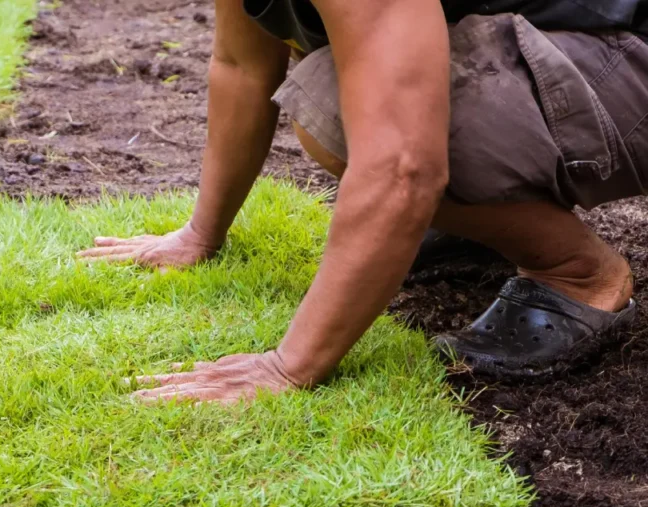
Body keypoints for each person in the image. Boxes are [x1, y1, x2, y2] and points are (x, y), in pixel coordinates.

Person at [78, 0, 648, 404]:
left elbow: (403, 168)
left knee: (337, 109)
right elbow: (241, 66)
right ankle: (488, 220)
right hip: (570, 43)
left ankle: (574, 272)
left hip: (627, 54)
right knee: (348, 92)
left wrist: (287, 367)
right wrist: (201, 234)